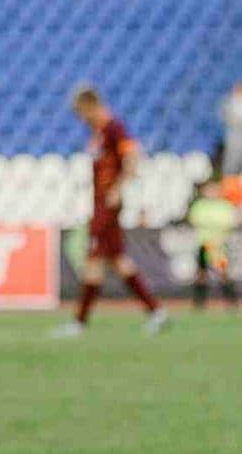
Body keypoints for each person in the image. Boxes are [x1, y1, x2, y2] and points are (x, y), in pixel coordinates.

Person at [55, 86, 167, 336]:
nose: (80, 118)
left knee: (95, 260)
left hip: (107, 205)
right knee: (117, 260)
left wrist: (117, 188)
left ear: (90, 105)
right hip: (101, 203)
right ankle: (155, 311)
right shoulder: (98, 131)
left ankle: (79, 322)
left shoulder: (113, 128)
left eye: (81, 112)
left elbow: (133, 156)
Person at [186, 183, 240, 312]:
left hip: (219, 246)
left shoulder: (225, 206)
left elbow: (229, 222)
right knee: (201, 274)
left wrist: (211, 223)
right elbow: (195, 220)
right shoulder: (200, 205)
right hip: (204, 244)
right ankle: (199, 303)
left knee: (223, 273)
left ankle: (231, 302)